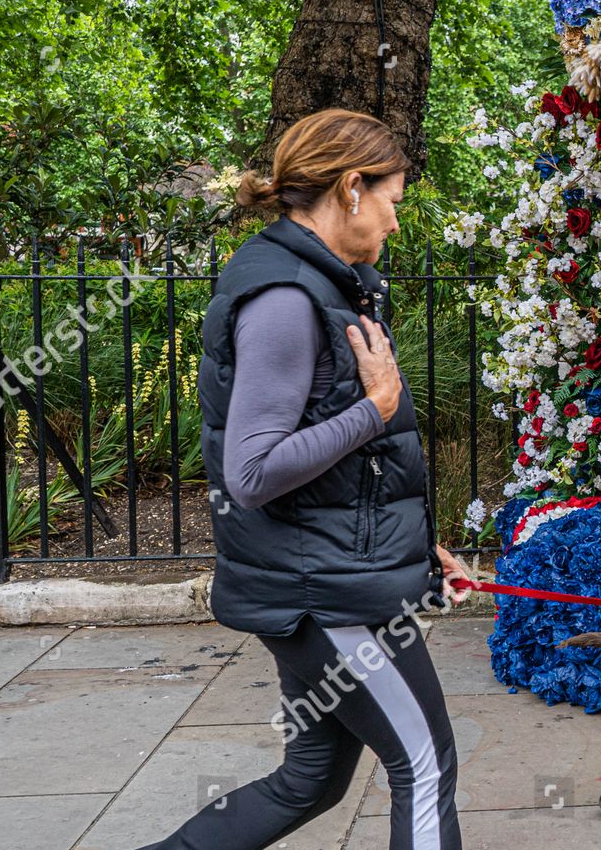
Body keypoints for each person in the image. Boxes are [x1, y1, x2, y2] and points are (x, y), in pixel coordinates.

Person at [139, 109, 472, 850]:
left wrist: (420, 549)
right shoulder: (287, 300)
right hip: (326, 593)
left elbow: (349, 474)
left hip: (325, 577)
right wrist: (376, 408)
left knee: (313, 776)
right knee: (422, 760)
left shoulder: (327, 283)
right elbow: (253, 470)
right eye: (392, 199)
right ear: (351, 187)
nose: (394, 219)